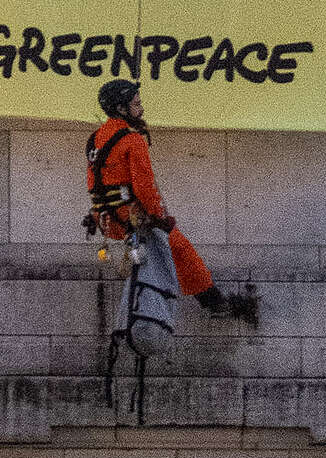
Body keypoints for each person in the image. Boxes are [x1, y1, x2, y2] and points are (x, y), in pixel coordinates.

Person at [86, 79, 240, 315]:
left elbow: (93, 183)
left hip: (106, 221)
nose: (142, 109)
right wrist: (161, 217)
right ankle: (214, 303)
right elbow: (145, 187)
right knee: (180, 248)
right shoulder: (132, 140)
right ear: (121, 109)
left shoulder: (95, 139)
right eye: (136, 104)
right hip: (131, 218)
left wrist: (98, 212)